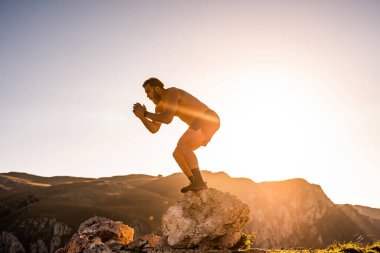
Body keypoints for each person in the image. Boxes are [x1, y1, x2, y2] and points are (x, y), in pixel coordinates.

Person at [133, 77, 220, 192]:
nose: (147, 96)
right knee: (177, 153)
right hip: (198, 123)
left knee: (183, 145)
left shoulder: (172, 93)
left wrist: (145, 113)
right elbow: (154, 129)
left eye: (148, 91)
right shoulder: (159, 107)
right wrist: (142, 117)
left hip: (207, 118)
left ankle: (199, 182)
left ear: (157, 89)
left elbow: (167, 119)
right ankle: (195, 183)